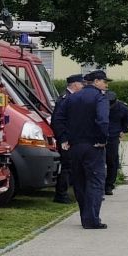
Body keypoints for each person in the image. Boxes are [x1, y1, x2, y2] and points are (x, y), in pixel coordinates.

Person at [63, 68, 110, 229]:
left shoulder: (72, 97)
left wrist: (64, 138)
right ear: (96, 82)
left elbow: (60, 117)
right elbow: (103, 120)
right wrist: (102, 139)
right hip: (93, 146)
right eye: (104, 82)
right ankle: (92, 219)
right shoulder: (100, 98)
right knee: (95, 182)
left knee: (80, 182)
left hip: (75, 146)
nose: (106, 85)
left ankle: (85, 215)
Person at [49, 74, 84, 204]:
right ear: (75, 85)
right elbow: (57, 121)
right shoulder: (65, 99)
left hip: (71, 138)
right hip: (66, 139)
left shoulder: (71, 98)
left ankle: (67, 192)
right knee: (66, 166)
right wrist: (63, 139)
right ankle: (61, 194)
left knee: (71, 165)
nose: (83, 86)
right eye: (81, 84)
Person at [104, 83, 128, 195]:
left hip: (113, 137)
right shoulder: (99, 104)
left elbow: (127, 120)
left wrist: (123, 130)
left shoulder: (122, 108)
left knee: (112, 161)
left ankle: (109, 185)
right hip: (98, 135)